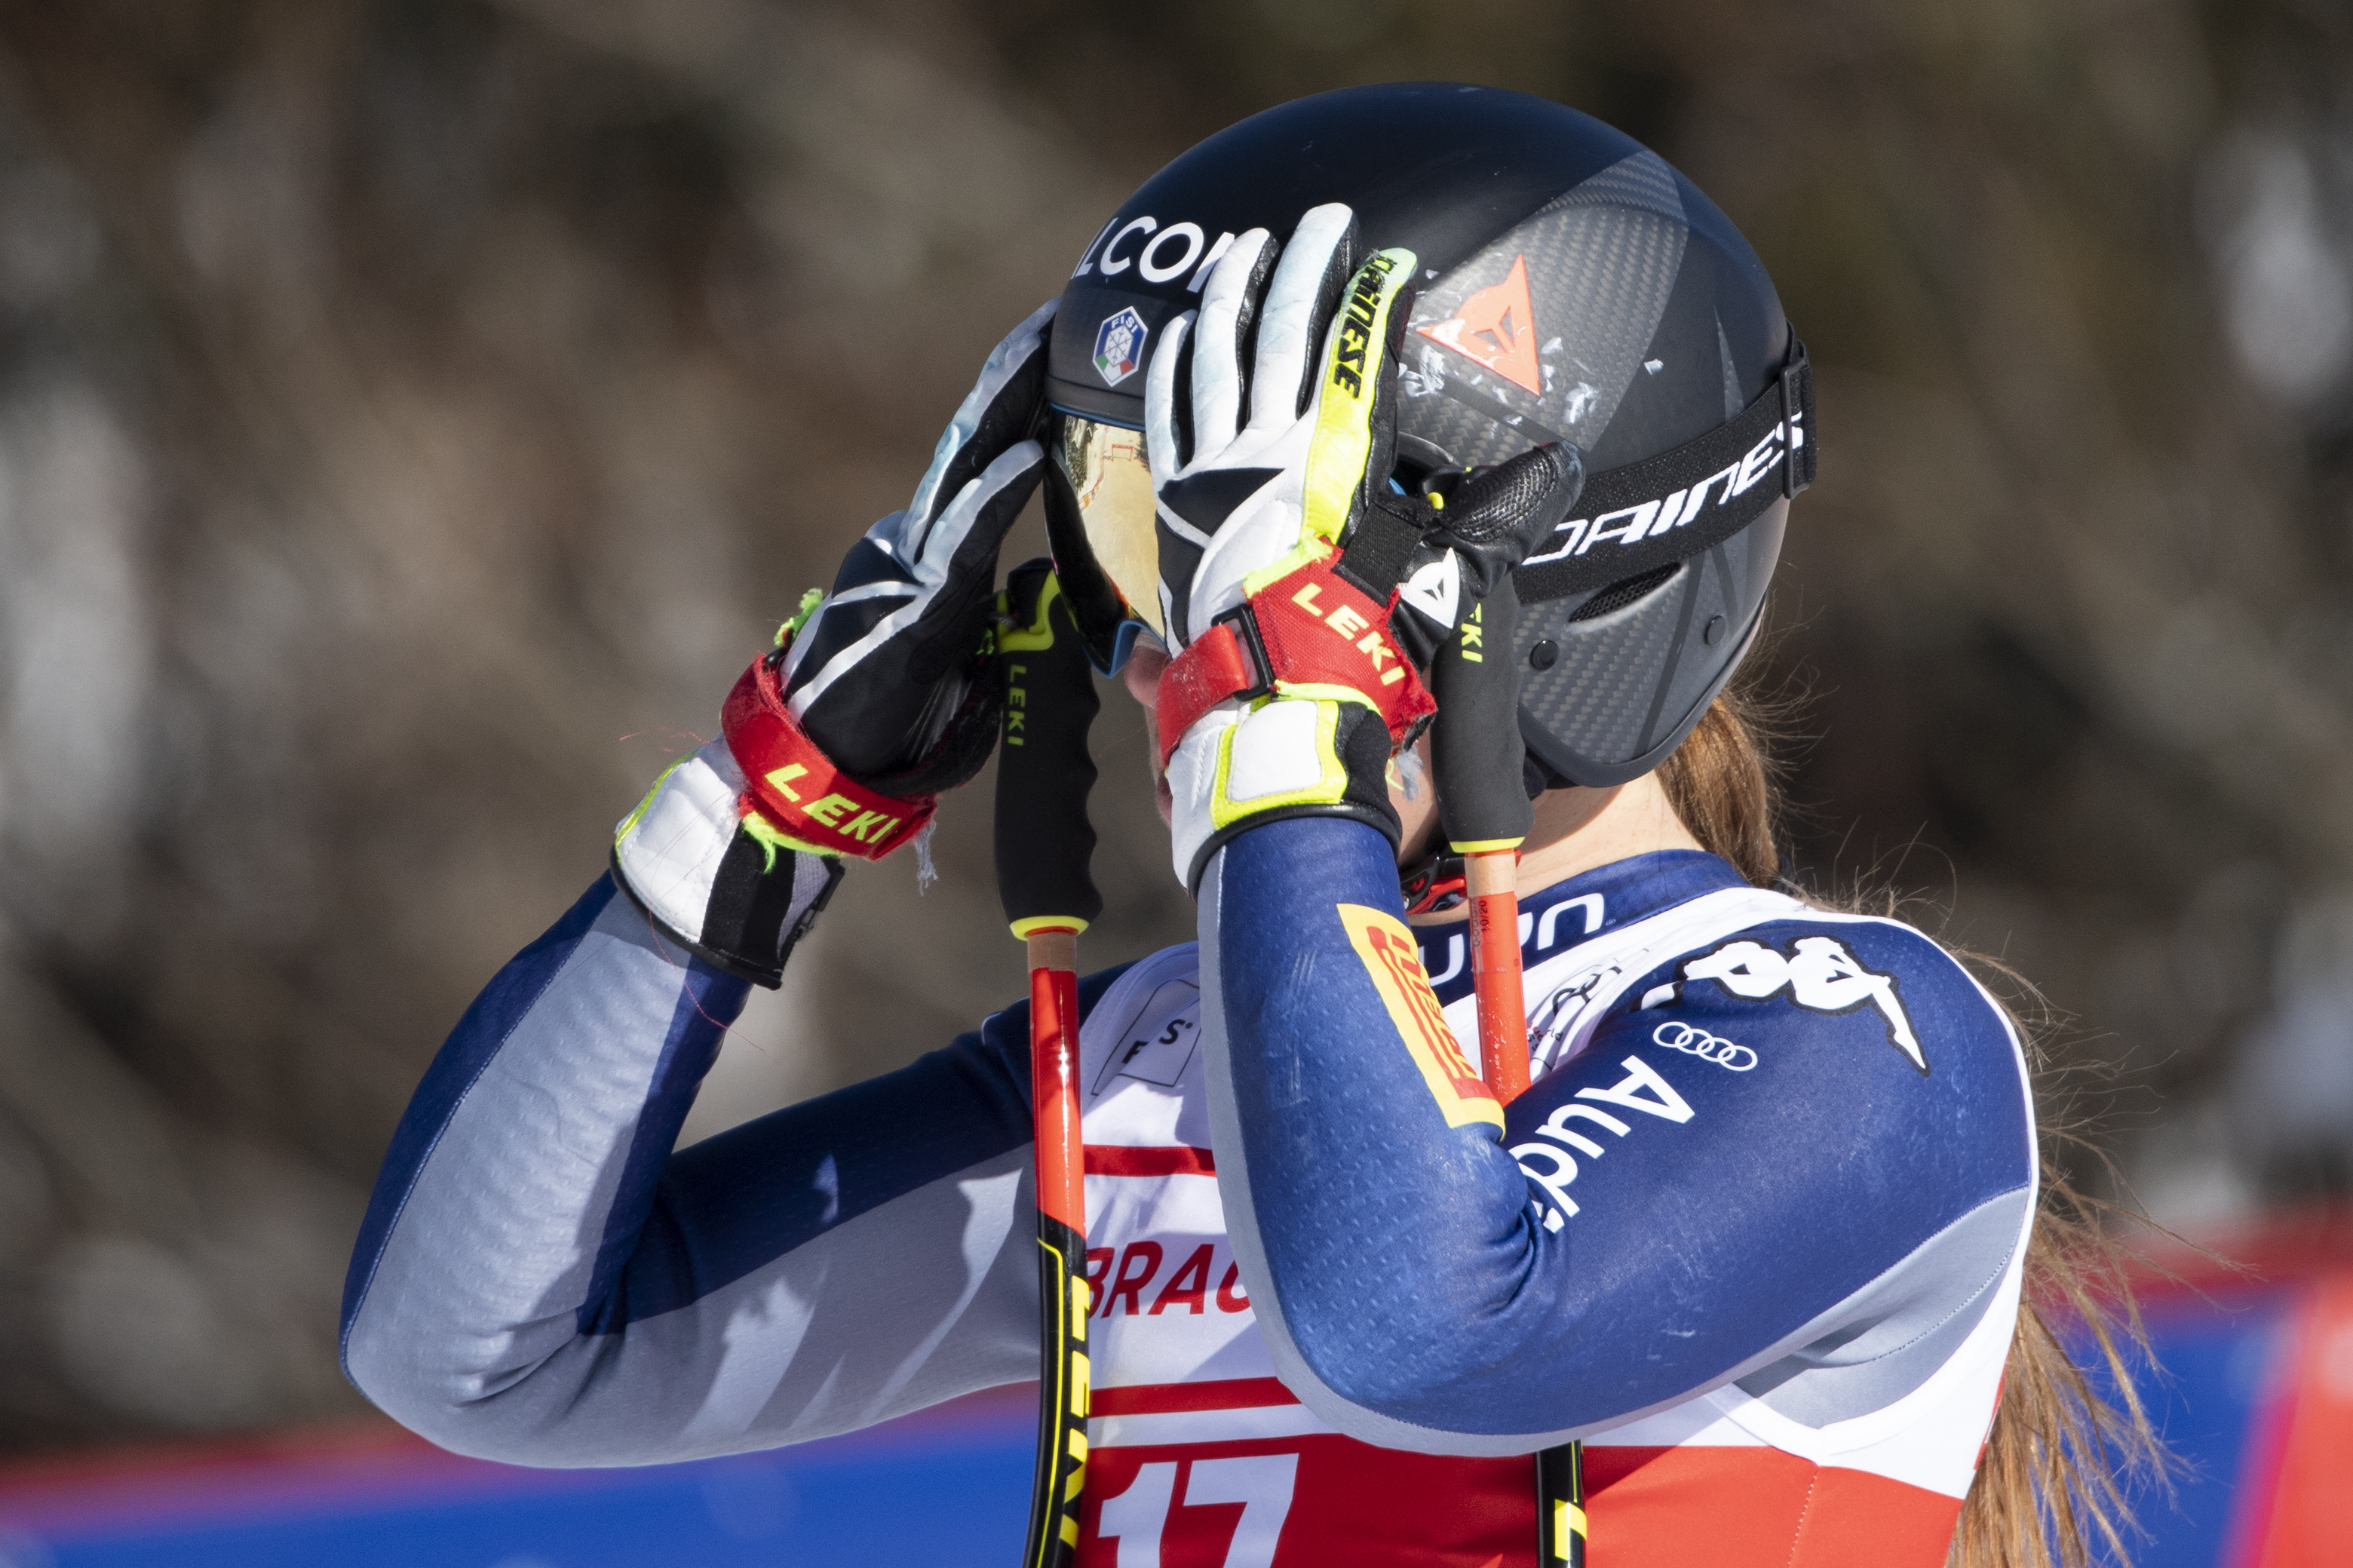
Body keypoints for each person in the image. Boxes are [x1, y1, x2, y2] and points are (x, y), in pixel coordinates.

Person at [342, 86, 2148, 1568]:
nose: (1157, 653)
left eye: (1243, 552)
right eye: (1133, 549)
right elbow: (476, 1351)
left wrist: (1284, 753)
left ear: (1555, 576)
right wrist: (766, 808)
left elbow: (1425, 1327)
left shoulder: (1861, 1033)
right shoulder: (1154, 1055)